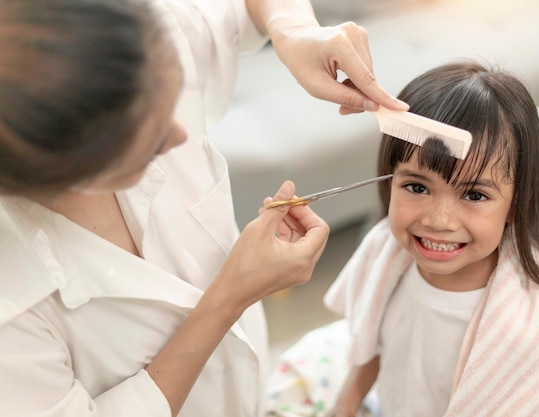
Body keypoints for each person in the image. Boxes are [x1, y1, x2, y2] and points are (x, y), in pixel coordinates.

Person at [0, 0, 408, 416]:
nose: (180, 135)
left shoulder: (131, 34)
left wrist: (294, 29)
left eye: (172, 97)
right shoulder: (12, 302)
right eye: (147, 141)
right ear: (71, 166)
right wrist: (229, 297)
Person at [319, 61, 539, 416]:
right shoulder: (384, 257)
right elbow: (370, 345)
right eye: (417, 187)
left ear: (516, 204)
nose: (439, 220)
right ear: (390, 183)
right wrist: (344, 407)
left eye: (475, 195)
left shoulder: (529, 329)